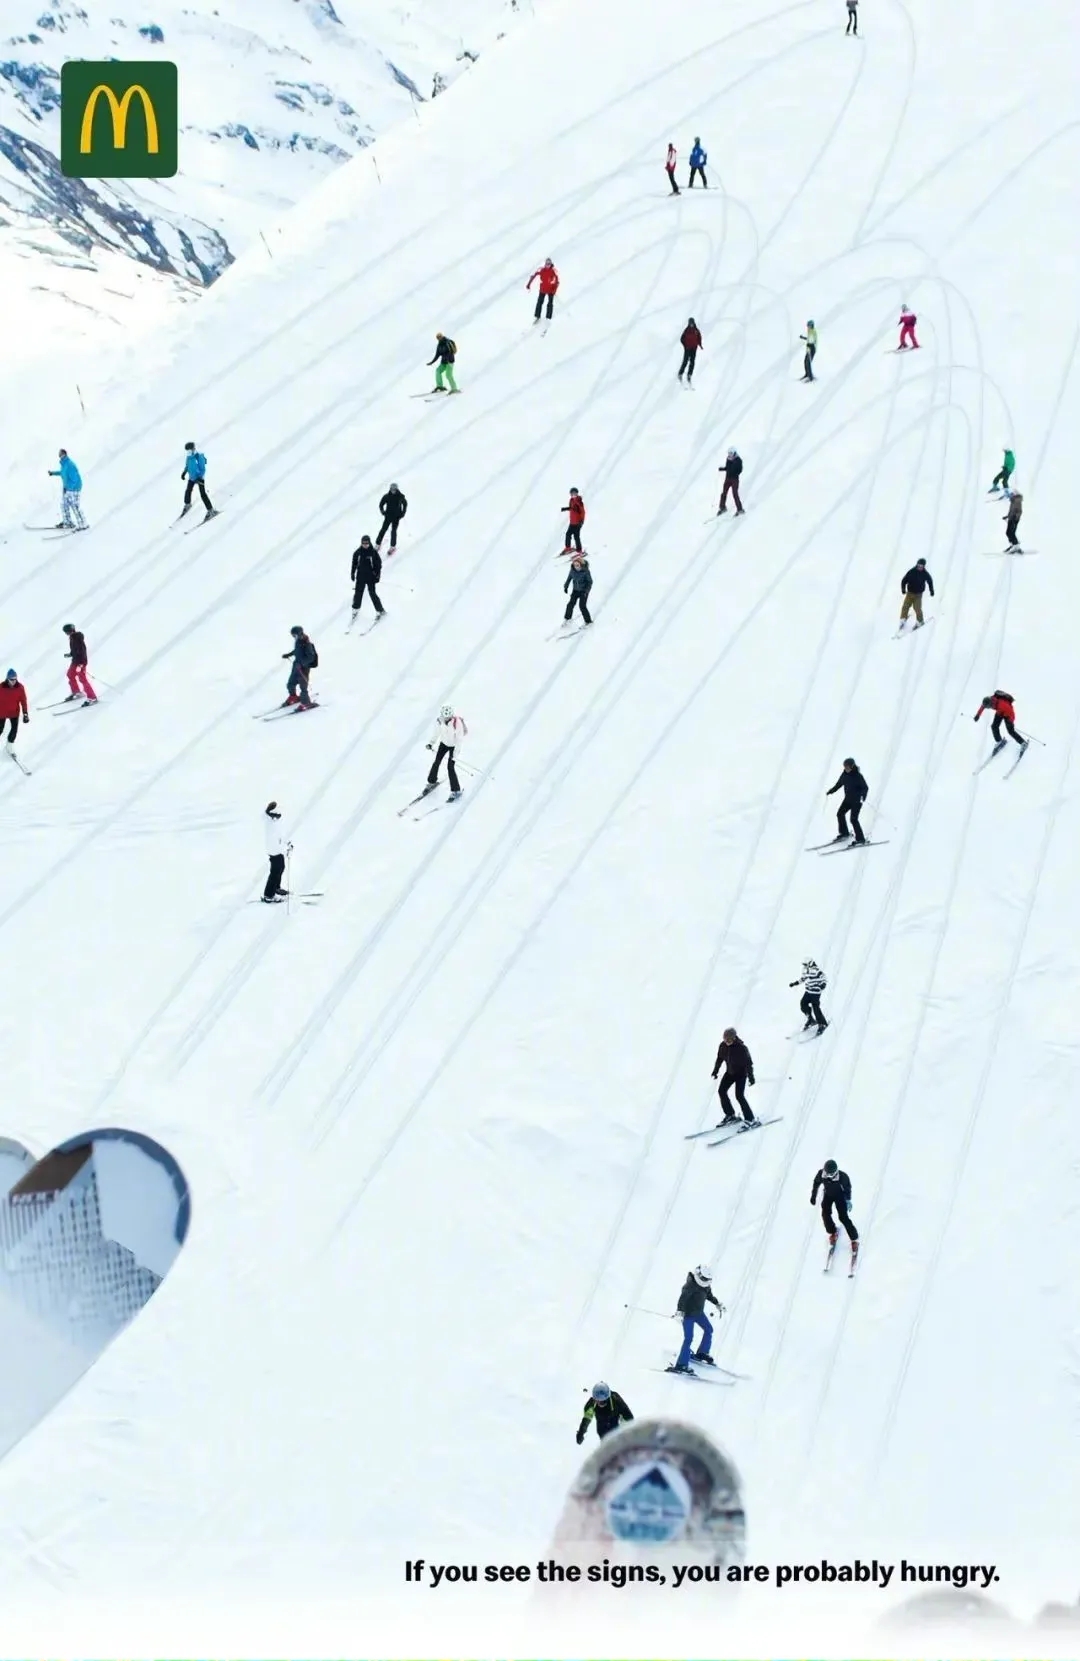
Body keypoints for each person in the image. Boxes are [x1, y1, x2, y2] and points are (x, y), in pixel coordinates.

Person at [667, 1265, 724, 1374]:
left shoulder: (705, 1286)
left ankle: (702, 1353)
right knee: (688, 1338)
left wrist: (717, 1303)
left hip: (698, 1313)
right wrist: (680, 1312)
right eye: (704, 1279)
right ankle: (681, 1364)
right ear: (698, 1275)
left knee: (709, 1329)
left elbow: (709, 1295)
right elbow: (682, 1299)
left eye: (707, 1279)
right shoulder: (690, 1285)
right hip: (688, 1315)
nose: (705, 1281)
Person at [711, 1027, 755, 1125]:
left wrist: (751, 1077)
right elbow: (719, 1059)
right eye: (725, 1039)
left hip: (741, 1074)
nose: (727, 1042)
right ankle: (730, 1115)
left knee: (739, 1096)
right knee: (721, 1091)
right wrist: (715, 1071)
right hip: (730, 1073)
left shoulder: (742, 1048)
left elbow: (748, 1064)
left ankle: (750, 1119)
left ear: (734, 1038)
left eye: (729, 1040)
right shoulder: (723, 1046)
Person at [811, 1159, 858, 1246]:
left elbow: (847, 1188)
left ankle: (854, 1239)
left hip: (839, 1196)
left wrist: (848, 1200)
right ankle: (833, 1231)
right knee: (825, 1214)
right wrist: (813, 1196)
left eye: (831, 1175)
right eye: (827, 1174)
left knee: (843, 1217)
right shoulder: (822, 1174)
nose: (828, 1177)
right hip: (828, 1195)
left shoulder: (843, 1177)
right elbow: (816, 1182)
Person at [425, 703, 468, 799]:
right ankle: (432, 781)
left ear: (451, 716)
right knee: (436, 762)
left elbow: (459, 740)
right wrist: (431, 743)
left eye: (448, 717)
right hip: (444, 744)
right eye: (445, 717)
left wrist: (454, 756)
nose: (446, 719)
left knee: (450, 767)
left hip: (454, 746)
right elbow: (436, 733)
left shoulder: (457, 723)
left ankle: (456, 790)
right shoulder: (440, 721)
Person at [825, 756, 868, 844]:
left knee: (853, 819)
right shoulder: (844, 775)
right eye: (845, 767)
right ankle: (844, 833)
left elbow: (865, 787)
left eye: (847, 767)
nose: (846, 768)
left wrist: (863, 797)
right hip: (848, 800)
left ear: (852, 766)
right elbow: (839, 784)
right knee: (840, 814)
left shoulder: (858, 776)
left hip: (857, 801)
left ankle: (861, 839)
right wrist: (831, 791)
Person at [48, 448, 87, 530]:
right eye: (59, 454)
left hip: (74, 489)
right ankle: (68, 522)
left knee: (75, 506)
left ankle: (83, 524)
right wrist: (53, 473)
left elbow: (75, 479)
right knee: (64, 505)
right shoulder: (64, 464)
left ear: (64, 454)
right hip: (67, 489)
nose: (59, 455)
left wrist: (69, 488)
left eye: (61, 454)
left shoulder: (70, 464)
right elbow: (62, 473)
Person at [281, 626, 317, 708]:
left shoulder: (307, 643)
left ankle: (306, 703)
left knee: (303, 687)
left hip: (303, 668)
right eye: (293, 635)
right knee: (290, 683)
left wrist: (301, 664)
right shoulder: (298, 641)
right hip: (296, 666)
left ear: (299, 634)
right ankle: (293, 697)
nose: (294, 637)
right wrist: (289, 654)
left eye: (295, 635)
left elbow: (311, 657)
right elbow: (297, 651)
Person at [61, 623, 97, 703]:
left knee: (82, 679)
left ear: (70, 631)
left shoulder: (77, 638)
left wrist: (81, 664)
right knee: (70, 674)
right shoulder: (72, 638)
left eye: (66, 632)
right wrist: (70, 654)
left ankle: (92, 697)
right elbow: (75, 650)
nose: (66, 634)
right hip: (75, 661)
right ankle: (76, 691)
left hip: (80, 662)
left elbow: (82, 651)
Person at [262, 801, 290, 903]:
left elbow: (280, 835)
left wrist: (287, 843)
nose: (278, 817)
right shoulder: (270, 823)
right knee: (275, 872)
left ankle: (276, 888)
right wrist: (284, 847)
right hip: (274, 851)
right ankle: (269, 895)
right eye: (277, 815)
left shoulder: (274, 822)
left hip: (277, 850)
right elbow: (274, 840)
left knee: (281, 867)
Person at [350, 536, 384, 619]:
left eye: (367, 543)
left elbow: (378, 565)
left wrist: (377, 575)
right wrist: (352, 573)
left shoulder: (373, 553)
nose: (365, 545)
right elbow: (354, 564)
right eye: (363, 543)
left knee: (372, 593)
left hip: (370, 577)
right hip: (360, 576)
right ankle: (355, 609)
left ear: (369, 543)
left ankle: (380, 610)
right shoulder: (358, 553)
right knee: (358, 593)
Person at [790, 960, 828, 1032]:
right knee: (803, 1004)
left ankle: (822, 1024)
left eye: (805, 964)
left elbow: (824, 979)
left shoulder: (816, 970)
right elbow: (803, 979)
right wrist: (795, 983)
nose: (804, 966)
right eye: (804, 964)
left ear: (809, 963)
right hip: (808, 992)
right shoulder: (805, 970)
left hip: (815, 992)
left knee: (815, 1007)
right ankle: (811, 1020)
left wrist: (822, 985)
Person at [180, 442, 216, 518]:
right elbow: (187, 465)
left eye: (189, 450)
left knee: (202, 494)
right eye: (187, 451)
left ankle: (211, 510)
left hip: (200, 478)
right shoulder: (189, 457)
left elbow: (203, 469)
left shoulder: (199, 456)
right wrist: (184, 472)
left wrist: (199, 478)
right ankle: (187, 504)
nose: (188, 452)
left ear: (193, 449)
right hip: (192, 477)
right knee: (188, 490)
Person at [0, 669, 28, 754]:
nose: (14, 681)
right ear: (7, 679)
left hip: (14, 713)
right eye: (12, 679)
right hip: (2, 712)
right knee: (0, 729)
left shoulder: (20, 687)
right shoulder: (1, 687)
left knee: (14, 730)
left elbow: (23, 701)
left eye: (15, 679)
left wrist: (25, 713)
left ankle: (9, 746)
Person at [899, 559, 933, 627]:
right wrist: (903, 589)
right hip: (909, 593)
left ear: (924, 566)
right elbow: (904, 580)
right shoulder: (911, 572)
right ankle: (903, 619)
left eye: (921, 566)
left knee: (917, 608)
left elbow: (930, 581)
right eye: (919, 565)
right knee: (905, 606)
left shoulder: (925, 573)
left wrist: (931, 590)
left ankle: (920, 621)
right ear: (917, 564)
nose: (920, 567)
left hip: (918, 595)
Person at [562, 554, 593, 626]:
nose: (576, 567)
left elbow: (590, 582)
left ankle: (588, 621)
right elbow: (569, 578)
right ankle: (567, 618)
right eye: (575, 565)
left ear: (581, 564)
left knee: (582, 606)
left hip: (583, 591)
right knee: (570, 604)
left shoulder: (586, 571)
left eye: (577, 565)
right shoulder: (572, 570)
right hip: (575, 590)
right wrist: (566, 586)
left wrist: (586, 591)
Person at [527, 259, 560, 323]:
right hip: (543, 289)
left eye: (549, 264)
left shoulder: (553, 271)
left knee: (550, 303)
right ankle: (537, 316)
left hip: (551, 290)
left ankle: (548, 317)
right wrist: (528, 284)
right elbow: (533, 276)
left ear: (551, 264)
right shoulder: (542, 269)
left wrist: (554, 290)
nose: (547, 265)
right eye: (546, 264)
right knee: (539, 302)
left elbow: (557, 282)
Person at [376, 483, 407, 549]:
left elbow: (405, 504)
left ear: (396, 489)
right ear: (390, 489)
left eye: (394, 489)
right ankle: (378, 544)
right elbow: (381, 504)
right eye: (392, 489)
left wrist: (403, 513)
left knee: (393, 531)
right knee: (383, 529)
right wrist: (382, 511)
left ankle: (392, 546)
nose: (393, 491)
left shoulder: (400, 497)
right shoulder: (386, 496)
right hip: (388, 516)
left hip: (396, 517)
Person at [717, 449, 744, 515]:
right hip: (728, 478)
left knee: (735, 494)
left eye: (731, 453)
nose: (730, 455)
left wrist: (734, 472)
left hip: (734, 479)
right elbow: (727, 468)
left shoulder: (738, 460)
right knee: (724, 493)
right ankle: (722, 507)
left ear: (734, 453)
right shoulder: (728, 459)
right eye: (729, 453)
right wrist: (722, 469)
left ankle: (740, 509)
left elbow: (740, 470)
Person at [678, 318, 702, 383]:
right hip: (688, 348)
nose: (691, 324)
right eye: (690, 323)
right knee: (685, 361)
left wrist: (700, 344)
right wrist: (685, 346)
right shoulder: (686, 330)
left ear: (694, 323)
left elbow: (699, 337)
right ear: (688, 323)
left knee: (692, 362)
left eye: (692, 323)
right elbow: (682, 339)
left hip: (694, 349)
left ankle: (689, 375)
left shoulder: (696, 330)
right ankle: (680, 373)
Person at [562, 487, 586, 552]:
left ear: (577, 493)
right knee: (568, 534)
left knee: (576, 536)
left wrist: (581, 521)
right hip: (572, 522)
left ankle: (579, 550)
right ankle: (568, 548)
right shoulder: (571, 500)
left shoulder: (579, 501)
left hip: (578, 523)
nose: (573, 495)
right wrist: (566, 509)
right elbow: (572, 508)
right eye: (572, 494)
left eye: (574, 493)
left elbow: (582, 512)